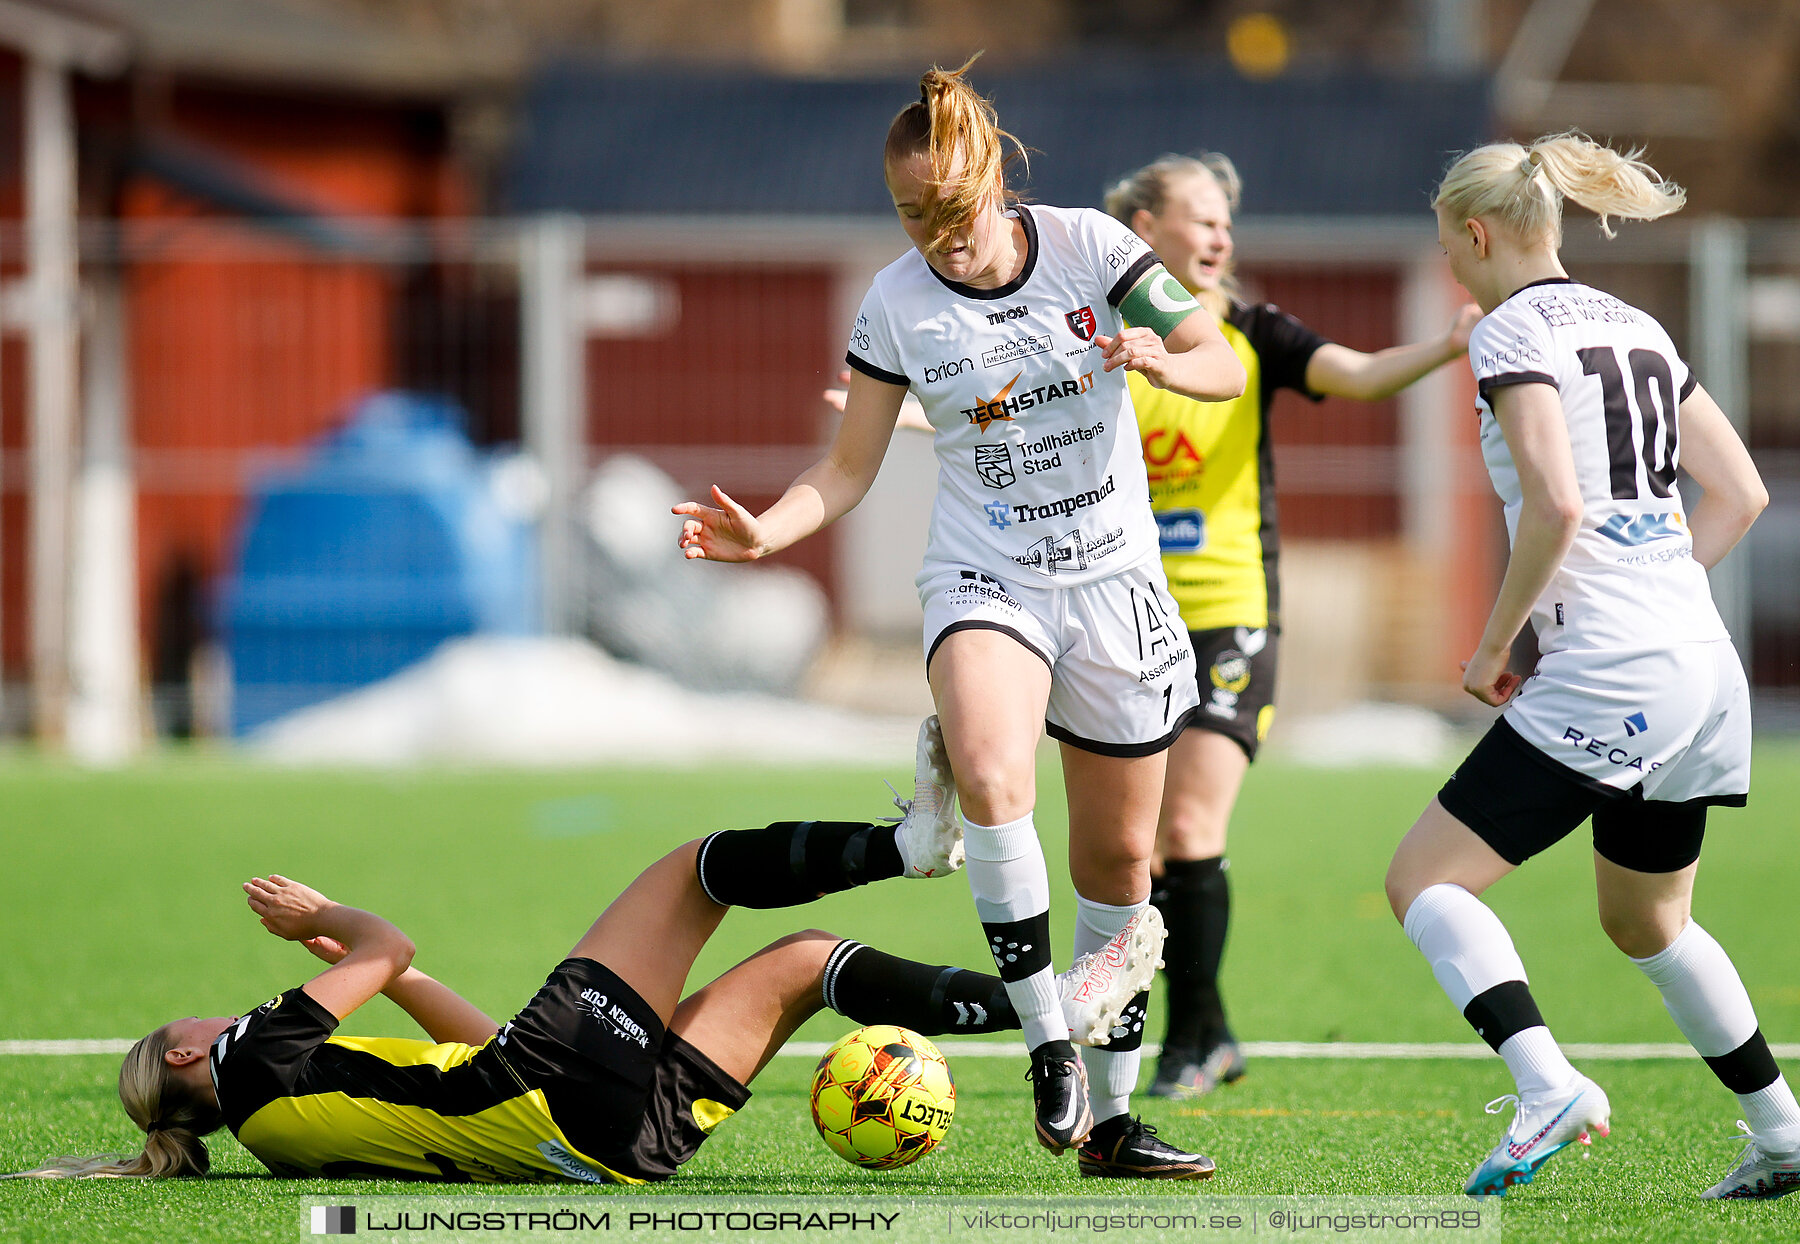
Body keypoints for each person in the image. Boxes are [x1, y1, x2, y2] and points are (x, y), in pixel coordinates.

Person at [674, 57, 1245, 1176]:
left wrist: (1160, 356)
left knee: (1123, 858)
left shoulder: (1091, 245)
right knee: (989, 772)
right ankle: (1048, 1044)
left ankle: (1116, 1127)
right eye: (909, 213)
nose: (935, 233)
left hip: (1117, 582)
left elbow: (1218, 356)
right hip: (989, 577)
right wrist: (770, 530)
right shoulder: (895, 302)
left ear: (996, 180)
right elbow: (846, 468)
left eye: (951, 208)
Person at [6, 740, 1165, 1183]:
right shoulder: (254, 1052)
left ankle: (1048, 1008)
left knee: (808, 960)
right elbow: (388, 940)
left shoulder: (277, 1115)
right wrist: (337, 917)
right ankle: (912, 843)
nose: (200, 1018)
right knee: (695, 870)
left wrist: (387, 971)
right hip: (548, 1083)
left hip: (611, 1149)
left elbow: (450, 1035)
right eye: (181, 1026)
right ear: (187, 1054)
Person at [1384, 132, 1798, 1200]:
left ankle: (1546, 1084)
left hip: (1615, 664)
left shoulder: (1511, 329)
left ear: (1476, 236)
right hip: (1702, 659)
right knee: (1647, 920)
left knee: (1424, 880)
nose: (1449, 267)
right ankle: (1786, 1132)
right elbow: (1741, 494)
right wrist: (1658, 595)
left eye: (1447, 247)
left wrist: (1490, 648)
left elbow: (1559, 502)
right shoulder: (1638, 325)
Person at [1100, 154, 1483, 1098]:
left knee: (1189, 824)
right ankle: (1210, 1028)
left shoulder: (1250, 332)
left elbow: (1353, 375)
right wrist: (906, 421)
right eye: (1201, 217)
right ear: (1144, 231)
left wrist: (1445, 344)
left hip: (1232, 614)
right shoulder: (1098, 337)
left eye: (1228, 219)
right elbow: (1008, 419)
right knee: (1137, 848)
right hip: (1125, 617)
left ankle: (1185, 1042)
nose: (1222, 235)